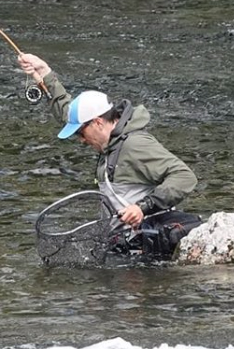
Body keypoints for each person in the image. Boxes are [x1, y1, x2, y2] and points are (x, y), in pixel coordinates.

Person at [18, 53, 201, 259]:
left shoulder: (135, 145)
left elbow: (185, 176)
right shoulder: (108, 139)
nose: (81, 140)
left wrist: (143, 207)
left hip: (149, 246)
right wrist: (43, 73)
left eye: (80, 132)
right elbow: (67, 112)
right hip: (123, 241)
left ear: (97, 122)